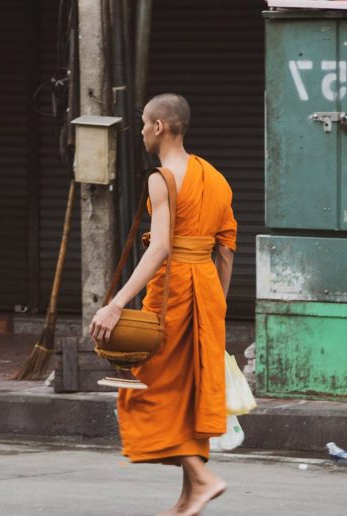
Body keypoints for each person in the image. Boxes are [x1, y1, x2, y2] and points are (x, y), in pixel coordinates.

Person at [89, 93, 236, 516]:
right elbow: (226, 249)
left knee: (148, 389)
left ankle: (204, 478)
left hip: (173, 292)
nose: (139, 134)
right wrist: (217, 308)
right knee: (187, 390)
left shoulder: (162, 178)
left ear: (158, 127)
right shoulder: (216, 177)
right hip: (206, 292)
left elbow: (160, 250)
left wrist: (116, 304)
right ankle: (191, 495)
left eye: (142, 125)